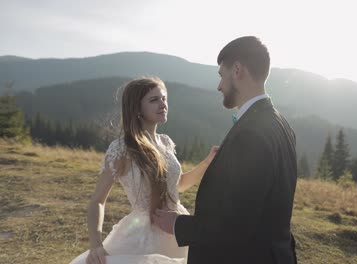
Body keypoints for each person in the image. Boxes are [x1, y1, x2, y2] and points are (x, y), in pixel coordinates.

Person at [154, 36, 298, 264]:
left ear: (238, 70)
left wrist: (177, 224)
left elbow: (236, 225)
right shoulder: (281, 123)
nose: (219, 85)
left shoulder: (251, 133)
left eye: (222, 75)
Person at [70, 77, 218, 264]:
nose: (162, 104)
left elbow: (178, 185)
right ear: (137, 108)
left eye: (164, 98)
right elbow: (97, 201)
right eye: (154, 100)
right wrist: (96, 244)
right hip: (143, 236)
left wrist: (207, 162)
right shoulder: (122, 149)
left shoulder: (165, 142)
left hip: (175, 227)